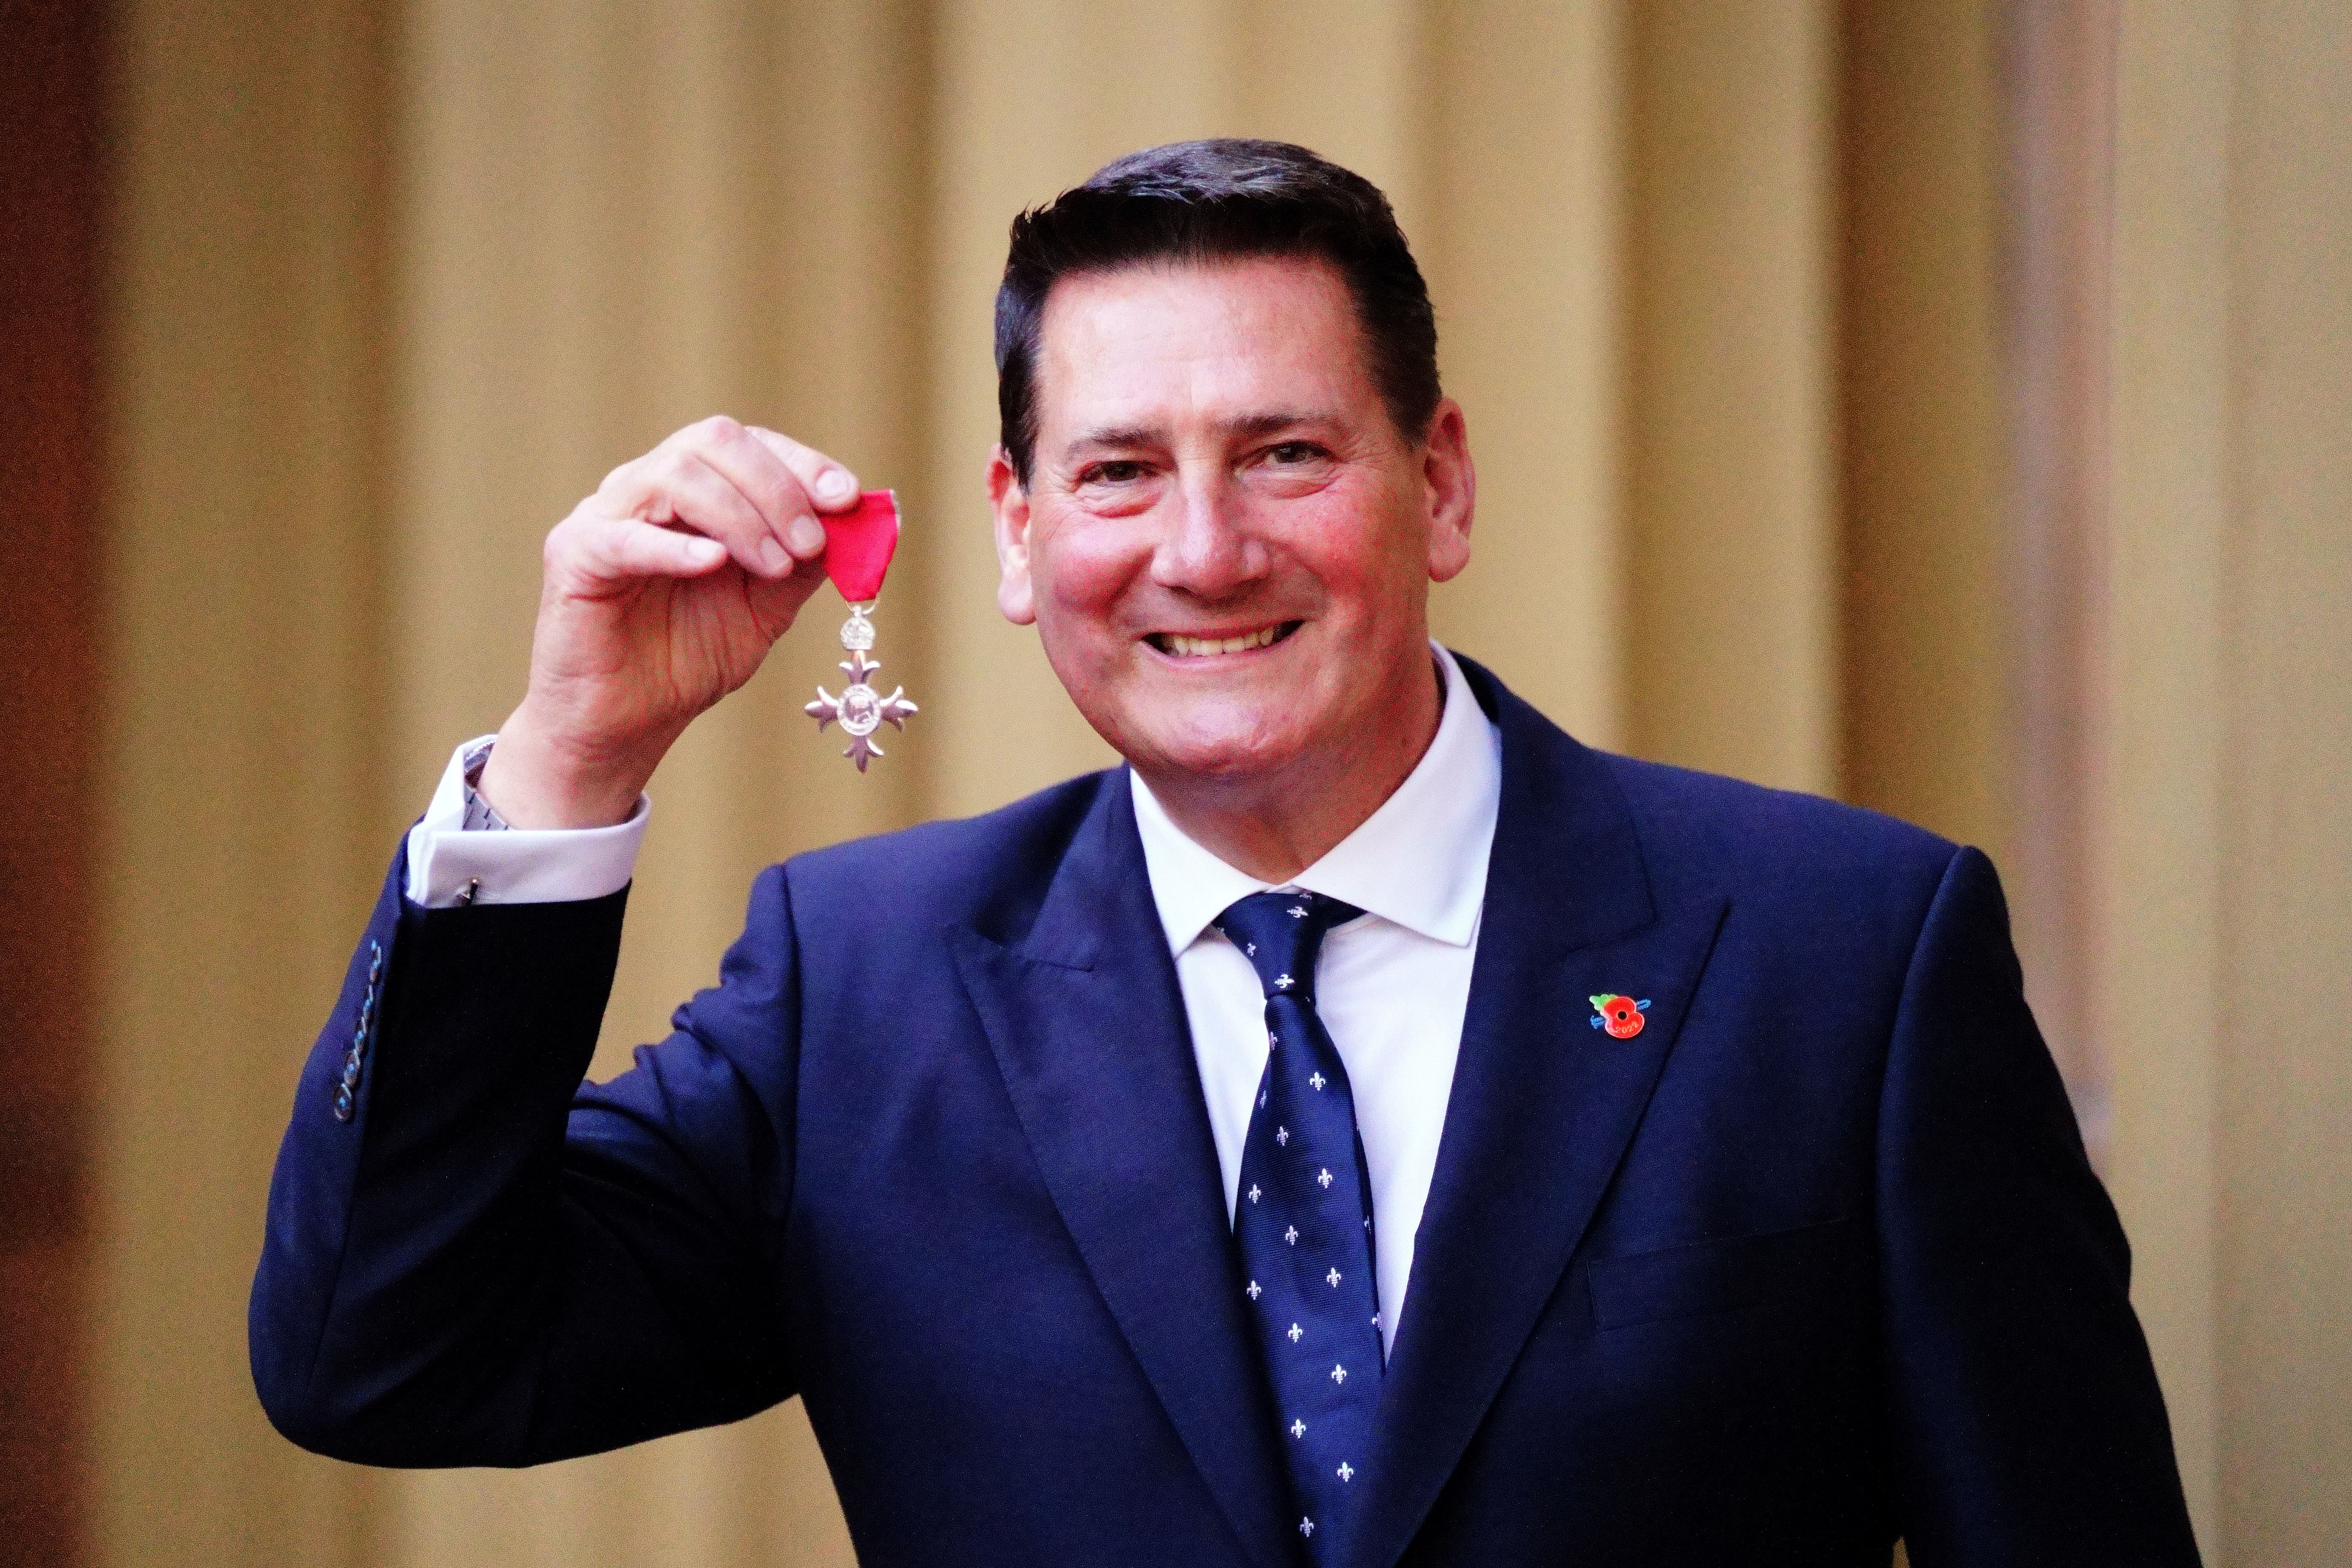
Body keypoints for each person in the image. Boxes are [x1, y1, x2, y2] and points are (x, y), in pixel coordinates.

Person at [250, 139, 2199, 1566]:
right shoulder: (866, 988)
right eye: (1116, 471)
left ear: (1435, 485)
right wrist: (573, 750)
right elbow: (386, 1358)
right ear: (1016, 537)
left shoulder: (1845, 954)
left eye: (1286, 452)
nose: (1202, 550)